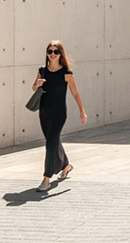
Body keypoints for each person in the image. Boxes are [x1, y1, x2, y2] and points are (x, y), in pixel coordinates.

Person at [31, 40, 87, 192]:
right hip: (44, 112)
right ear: (47, 54)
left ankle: (46, 178)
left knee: (50, 144)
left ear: (60, 54)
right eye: (50, 51)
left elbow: (75, 93)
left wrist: (82, 111)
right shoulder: (42, 70)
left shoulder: (66, 74)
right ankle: (66, 165)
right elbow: (33, 87)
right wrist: (37, 84)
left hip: (59, 113)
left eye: (56, 51)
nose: (53, 54)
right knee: (53, 141)